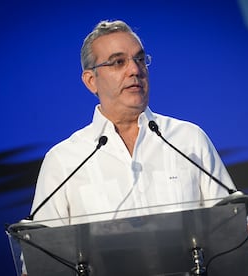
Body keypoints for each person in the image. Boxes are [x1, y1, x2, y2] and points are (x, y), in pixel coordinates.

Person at [30, 19, 237, 225]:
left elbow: (232, 226)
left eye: (139, 59)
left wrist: (246, 234)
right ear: (91, 81)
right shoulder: (64, 160)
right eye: (118, 62)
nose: (135, 70)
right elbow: (41, 253)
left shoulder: (189, 140)